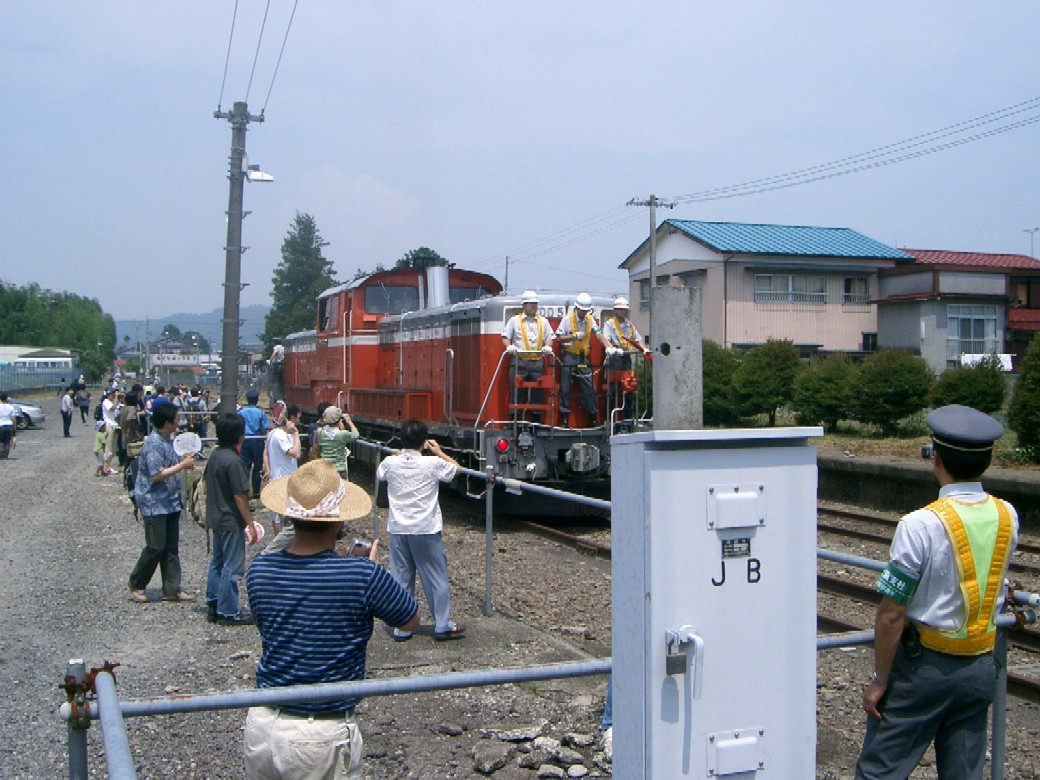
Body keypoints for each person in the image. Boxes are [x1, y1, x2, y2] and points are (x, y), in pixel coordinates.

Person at [855, 404, 1019, 780]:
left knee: (880, 770)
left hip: (923, 669)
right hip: (980, 665)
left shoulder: (920, 524)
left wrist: (881, 679)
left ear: (937, 458)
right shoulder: (1008, 514)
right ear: (988, 460)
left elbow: (892, 613)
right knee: (964, 772)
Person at [245, 459, 419, 779]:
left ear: (288, 515)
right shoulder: (362, 575)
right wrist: (372, 572)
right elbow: (410, 620)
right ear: (338, 523)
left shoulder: (259, 571)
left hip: (262, 725)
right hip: (319, 733)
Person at [376, 420, 465, 642]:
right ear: (424, 442)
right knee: (435, 577)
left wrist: (400, 454)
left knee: (401, 577)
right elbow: (457, 470)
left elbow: (380, 475)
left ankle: (402, 627)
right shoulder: (433, 463)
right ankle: (442, 624)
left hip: (398, 529)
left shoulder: (390, 462)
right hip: (425, 528)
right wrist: (439, 451)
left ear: (401, 439)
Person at [127, 402, 197, 604]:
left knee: (171, 547)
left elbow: (171, 465)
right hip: (154, 503)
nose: (178, 422)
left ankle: (172, 589)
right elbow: (156, 475)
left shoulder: (168, 440)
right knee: (156, 546)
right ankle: (136, 582)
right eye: (176, 419)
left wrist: (183, 461)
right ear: (167, 422)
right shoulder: (154, 444)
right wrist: (182, 466)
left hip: (170, 502)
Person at [206, 414, 259, 625]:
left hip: (215, 516)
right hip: (230, 519)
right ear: (239, 435)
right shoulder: (234, 461)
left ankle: (214, 601)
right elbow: (240, 497)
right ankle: (228, 611)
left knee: (217, 562)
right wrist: (250, 524)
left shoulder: (215, 455)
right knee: (232, 565)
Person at [554, 292, 608, 427]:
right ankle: (564, 417)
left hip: (583, 359)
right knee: (565, 386)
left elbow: (599, 333)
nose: (584, 313)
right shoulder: (567, 320)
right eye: (582, 310)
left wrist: (609, 346)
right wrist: (573, 336)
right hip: (569, 356)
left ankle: (592, 417)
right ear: (576, 308)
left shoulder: (590, 320)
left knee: (589, 386)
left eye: (586, 310)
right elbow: (559, 338)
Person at [501, 290, 555, 422]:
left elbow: (550, 337)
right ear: (524, 306)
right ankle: (515, 420)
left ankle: (536, 420)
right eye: (531, 304)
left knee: (538, 391)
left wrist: (548, 346)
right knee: (516, 391)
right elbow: (505, 336)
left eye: (535, 304)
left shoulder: (544, 322)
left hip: (537, 362)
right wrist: (509, 347)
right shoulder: (514, 321)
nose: (533, 307)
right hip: (519, 361)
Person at [260, 402, 303, 555]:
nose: (299, 420)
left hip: (276, 479)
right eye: (298, 417)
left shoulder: (272, 433)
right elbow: (296, 454)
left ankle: (279, 549)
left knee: (277, 517)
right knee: (285, 520)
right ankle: (277, 551)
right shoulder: (280, 435)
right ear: (290, 418)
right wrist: (296, 433)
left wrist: (268, 468)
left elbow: (265, 452)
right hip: (284, 482)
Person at [601, 297, 650, 419]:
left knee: (629, 387)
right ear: (616, 311)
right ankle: (610, 418)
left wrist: (644, 349)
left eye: (625, 310)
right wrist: (612, 349)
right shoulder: (609, 324)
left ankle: (629, 416)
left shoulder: (629, 325)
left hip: (627, 357)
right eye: (622, 310)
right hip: (615, 358)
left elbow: (638, 339)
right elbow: (605, 339)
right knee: (613, 388)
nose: (624, 312)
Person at [238, 389, 270, 499]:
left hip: (245, 440)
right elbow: (265, 428)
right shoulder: (260, 412)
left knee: (245, 467)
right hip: (257, 440)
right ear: (256, 400)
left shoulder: (241, 412)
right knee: (257, 467)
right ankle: (256, 491)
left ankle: (244, 491)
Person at [317, 405, 359, 479]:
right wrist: (349, 422)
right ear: (339, 419)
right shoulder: (343, 434)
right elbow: (356, 435)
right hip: (339, 470)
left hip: (326, 469)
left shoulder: (320, 432)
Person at [101, 387, 121, 476]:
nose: (114, 395)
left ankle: (108, 466)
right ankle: (106, 467)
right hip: (109, 425)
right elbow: (113, 408)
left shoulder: (113, 402)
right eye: (113, 394)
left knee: (113, 448)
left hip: (114, 425)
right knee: (108, 448)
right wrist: (116, 398)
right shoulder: (106, 402)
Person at [0, 392, 17, 459]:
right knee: (7, 441)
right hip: (9, 425)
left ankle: (1, 453)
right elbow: (13, 419)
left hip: (1, 425)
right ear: (7, 398)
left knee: (1, 440)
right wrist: (14, 428)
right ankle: (5, 456)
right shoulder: (11, 407)